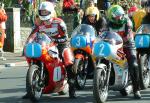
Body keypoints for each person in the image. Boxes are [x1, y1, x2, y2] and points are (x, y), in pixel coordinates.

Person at [22, 1, 76, 99]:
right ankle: (30, 89)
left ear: (51, 11)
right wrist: (27, 44)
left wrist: (56, 40)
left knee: (68, 60)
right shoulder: (39, 24)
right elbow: (32, 36)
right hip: (45, 45)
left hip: (60, 44)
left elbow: (65, 37)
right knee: (33, 60)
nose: (43, 14)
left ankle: (72, 88)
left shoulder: (59, 22)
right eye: (41, 12)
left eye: (45, 12)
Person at [107, 5, 141, 99]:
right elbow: (103, 34)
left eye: (121, 15)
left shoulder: (127, 22)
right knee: (104, 59)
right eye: (117, 15)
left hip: (127, 46)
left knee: (133, 64)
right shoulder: (108, 24)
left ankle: (136, 89)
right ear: (111, 16)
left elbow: (128, 36)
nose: (119, 17)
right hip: (115, 47)